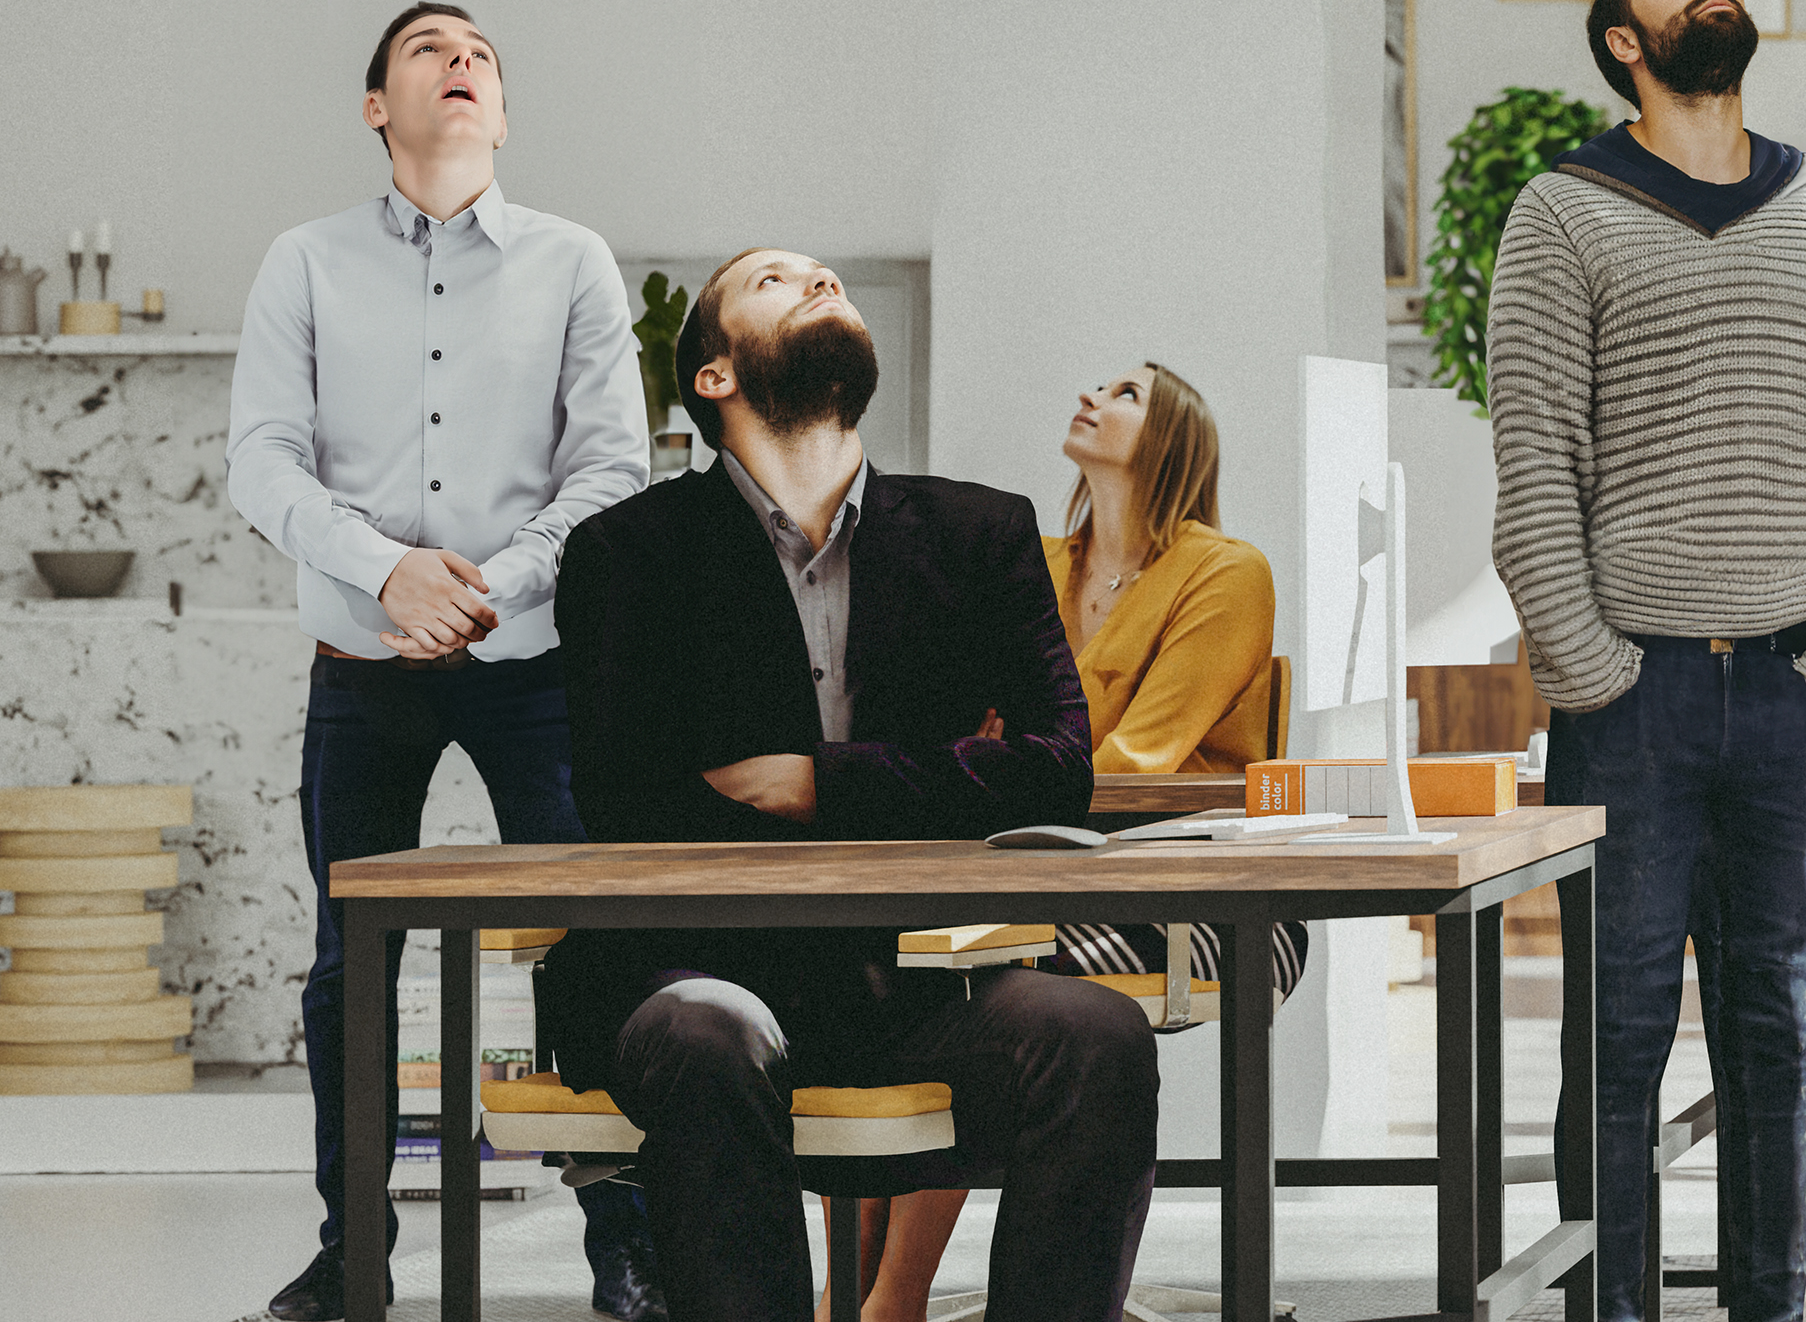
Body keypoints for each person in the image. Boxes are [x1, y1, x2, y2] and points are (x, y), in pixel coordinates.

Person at [536, 251, 1145, 1322]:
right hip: (695, 975)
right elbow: (631, 800)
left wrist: (824, 783)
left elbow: (1058, 766)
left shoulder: (980, 532)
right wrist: (957, 773)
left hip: (917, 981)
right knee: (707, 1031)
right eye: (775, 279)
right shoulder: (623, 553)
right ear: (715, 373)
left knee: (1098, 1032)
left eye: (827, 275)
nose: (817, 278)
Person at [1489, 0, 1806, 1322]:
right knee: (1615, 1047)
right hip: (1633, 705)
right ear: (1624, 40)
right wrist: (1597, 672)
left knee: (1777, 1038)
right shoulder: (1564, 210)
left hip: (1794, 689)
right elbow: (1536, 460)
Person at [226, 2, 658, 1322]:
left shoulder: (574, 260)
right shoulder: (302, 261)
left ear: (502, 114)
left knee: (594, 943)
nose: (460, 62)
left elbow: (612, 468)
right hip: (362, 657)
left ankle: (624, 1250)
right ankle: (351, 1255)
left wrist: (490, 585)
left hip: (537, 663)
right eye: (428, 49)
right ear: (378, 107)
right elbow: (262, 458)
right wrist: (389, 571)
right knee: (351, 962)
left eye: (480, 55)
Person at [853, 361, 1288, 1322]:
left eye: (1128, 391)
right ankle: (867, 1299)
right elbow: (955, 724)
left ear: (1176, 435)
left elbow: (1141, 756)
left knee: (965, 967)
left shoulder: (1226, 570)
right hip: (1020, 872)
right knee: (882, 954)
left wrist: (993, 770)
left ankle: (889, 1300)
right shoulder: (1035, 563)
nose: (1093, 393)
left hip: (1194, 892)